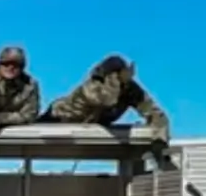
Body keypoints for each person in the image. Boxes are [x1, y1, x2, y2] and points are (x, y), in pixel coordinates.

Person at [42, 56, 171, 140]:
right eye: (116, 77)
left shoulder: (130, 89)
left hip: (92, 122)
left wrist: (159, 137)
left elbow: (155, 113)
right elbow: (107, 100)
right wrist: (115, 80)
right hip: (60, 114)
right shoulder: (91, 87)